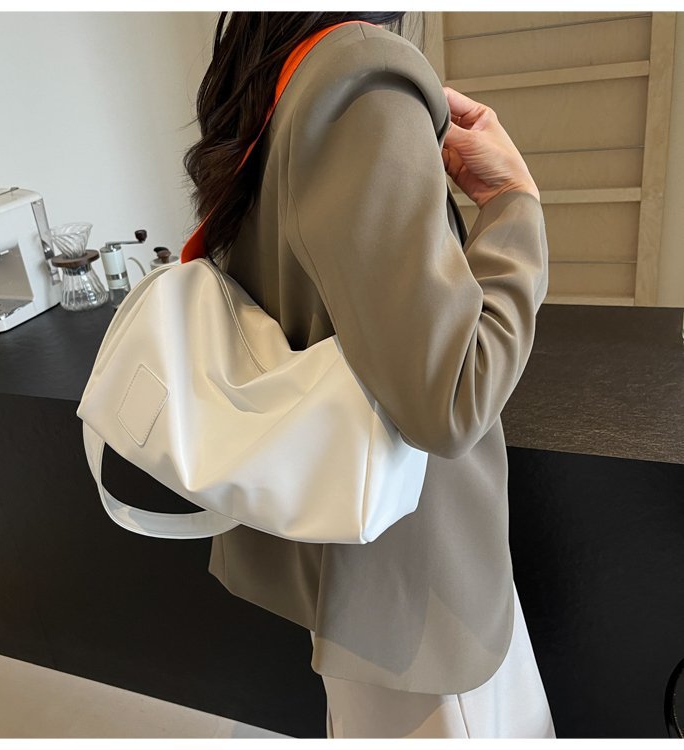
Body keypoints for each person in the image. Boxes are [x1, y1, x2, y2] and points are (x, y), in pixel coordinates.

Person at [183, 12, 555, 739]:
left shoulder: (277, 78)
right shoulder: (361, 73)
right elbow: (455, 396)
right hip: (417, 576)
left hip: (355, 560)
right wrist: (515, 202)